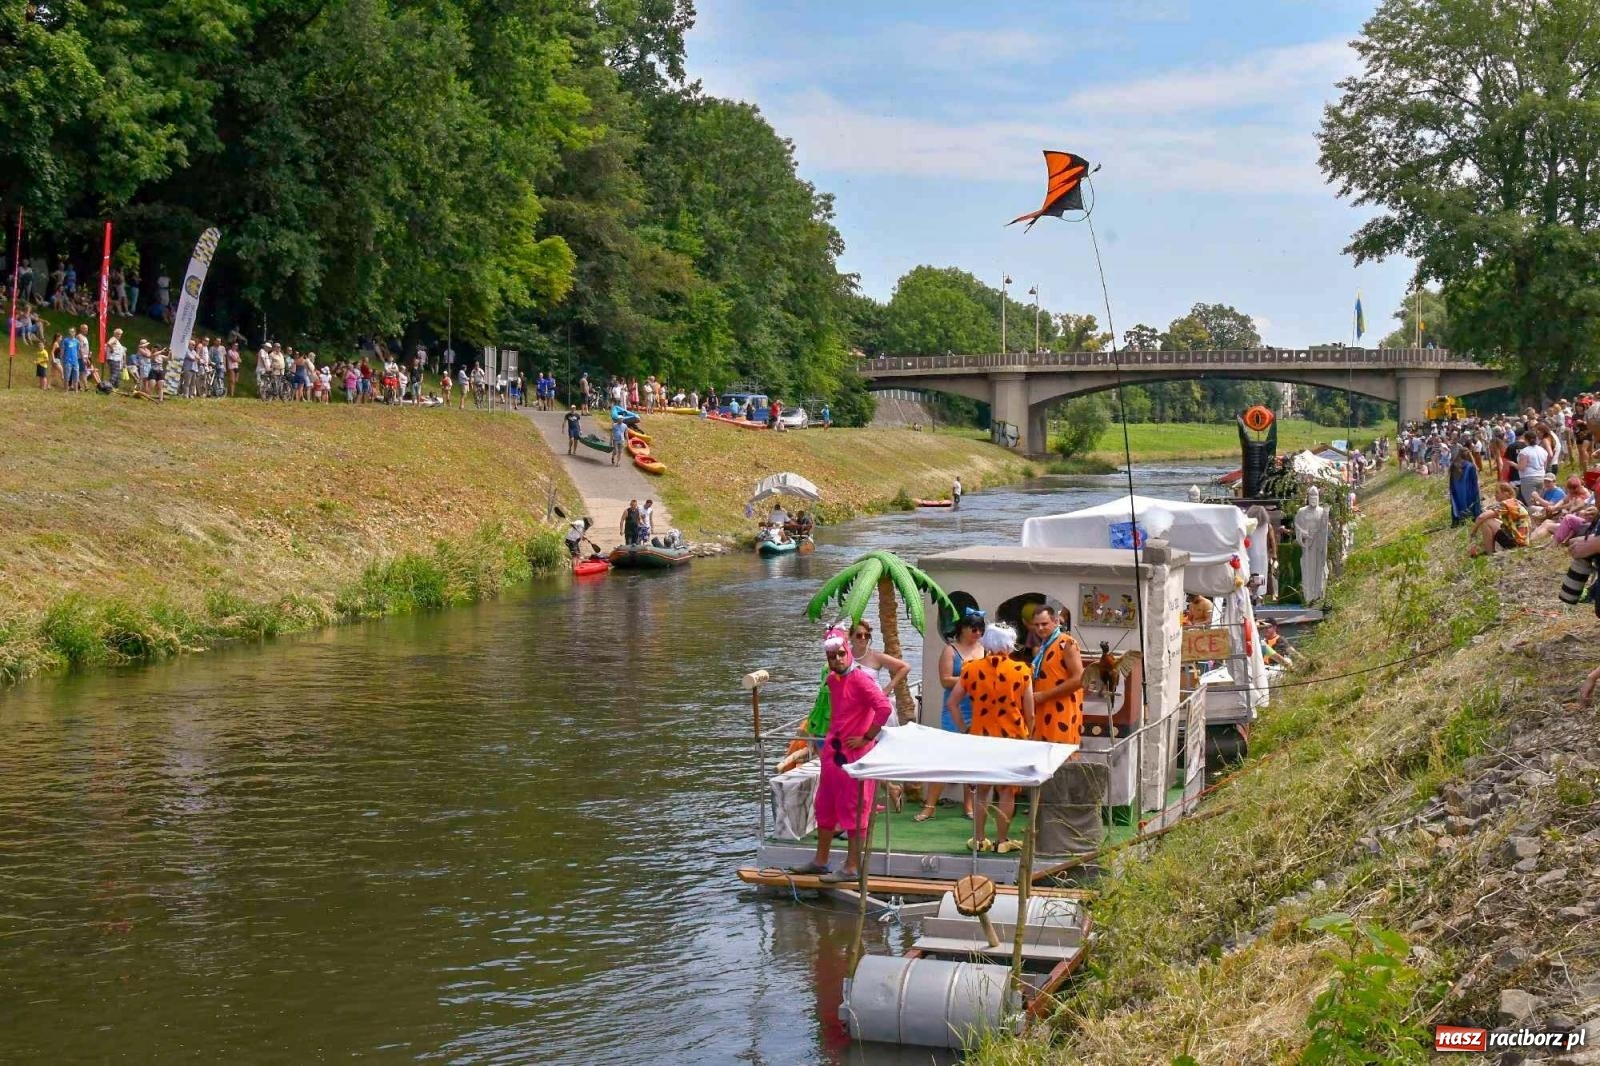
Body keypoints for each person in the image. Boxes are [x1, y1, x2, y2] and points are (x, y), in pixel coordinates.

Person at [787, 627, 894, 883]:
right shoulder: (833, 681)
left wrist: (867, 737)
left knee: (854, 808)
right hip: (833, 755)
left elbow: (884, 707)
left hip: (855, 756)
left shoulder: (861, 679)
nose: (837, 660)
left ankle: (852, 866)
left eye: (841, 654)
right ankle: (821, 860)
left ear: (848, 653)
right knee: (825, 805)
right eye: (832, 656)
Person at [946, 622, 1035, 853]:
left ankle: (978, 839)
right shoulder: (1022, 671)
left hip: (980, 736)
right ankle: (1002, 841)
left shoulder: (971, 669)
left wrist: (965, 729)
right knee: (1006, 790)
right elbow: (1030, 712)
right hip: (1012, 737)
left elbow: (952, 703)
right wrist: (1030, 735)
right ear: (1009, 644)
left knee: (982, 790)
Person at [922, 609, 988, 822]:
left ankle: (968, 806)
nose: (978, 633)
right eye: (974, 628)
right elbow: (945, 680)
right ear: (962, 628)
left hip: (978, 709)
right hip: (954, 708)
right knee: (946, 758)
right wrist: (971, 678)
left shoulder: (985, 650)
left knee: (973, 760)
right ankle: (929, 805)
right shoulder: (950, 650)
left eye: (981, 629)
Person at [1029, 605, 1084, 745]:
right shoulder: (1045, 645)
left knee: (1059, 759)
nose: (1040, 628)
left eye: (1044, 624)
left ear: (1055, 622)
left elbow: (1079, 679)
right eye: (1037, 625)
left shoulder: (1067, 643)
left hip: (1062, 712)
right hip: (1043, 712)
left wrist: (1045, 695)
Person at [1471, 481, 1531, 556]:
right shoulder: (1516, 502)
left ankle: (1489, 553)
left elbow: (1481, 517)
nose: (1495, 495)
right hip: (1523, 540)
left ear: (1505, 493)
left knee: (1486, 522)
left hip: (1517, 542)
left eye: (1497, 492)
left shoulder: (1506, 504)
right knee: (1492, 520)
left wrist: (1473, 533)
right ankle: (1489, 550)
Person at [1448, 448, 1482, 527]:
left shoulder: (1454, 465)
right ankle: (1474, 519)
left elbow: (1451, 480)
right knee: (1472, 504)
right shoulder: (1470, 466)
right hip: (1469, 490)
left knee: (1457, 504)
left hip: (1456, 490)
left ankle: (1457, 521)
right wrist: (1477, 492)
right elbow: (1474, 482)